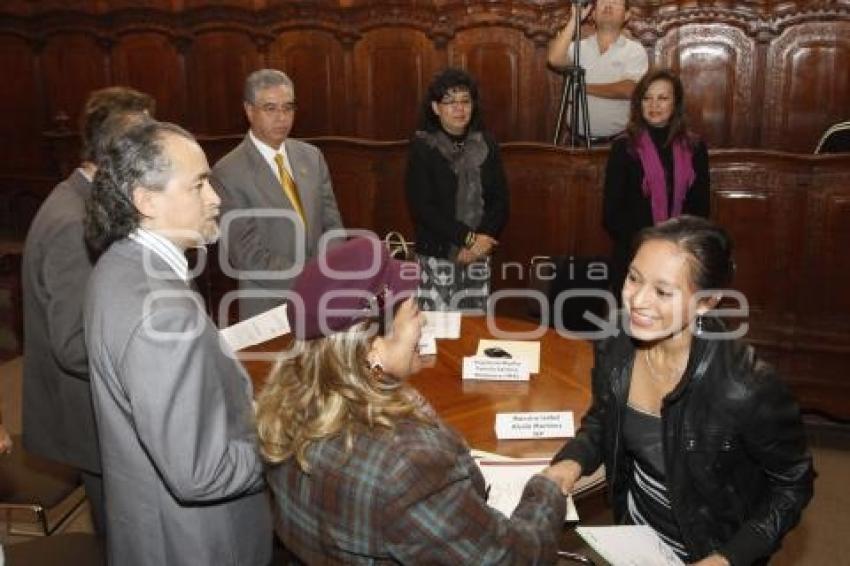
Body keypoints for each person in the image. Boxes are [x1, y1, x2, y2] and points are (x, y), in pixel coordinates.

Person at [256, 236, 566, 564]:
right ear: (372, 346)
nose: (424, 321)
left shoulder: (281, 413)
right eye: (416, 310)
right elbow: (517, 557)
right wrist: (547, 488)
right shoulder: (407, 466)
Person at [548, 216, 814, 565]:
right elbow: (603, 420)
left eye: (662, 291)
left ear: (707, 302)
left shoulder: (745, 386)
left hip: (707, 549)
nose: (637, 301)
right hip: (634, 538)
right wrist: (571, 462)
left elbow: (793, 484)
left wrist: (728, 558)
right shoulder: (615, 339)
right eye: (633, 278)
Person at [84, 120, 272, 565]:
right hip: (198, 543)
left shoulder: (117, 264)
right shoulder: (160, 310)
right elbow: (200, 473)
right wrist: (287, 438)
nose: (216, 199)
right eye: (200, 185)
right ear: (146, 201)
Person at [21, 86, 155, 534]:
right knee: (123, 540)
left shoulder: (88, 200)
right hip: (91, 417)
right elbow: (75, 345)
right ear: (117, 152)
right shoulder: (72, 221)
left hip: (100, 407)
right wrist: (152, 367)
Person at [213, 68, 344, 320]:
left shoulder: (312, 156)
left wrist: (331, 274)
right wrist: (312, 280)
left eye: (288, 108)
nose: (282, 118)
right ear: (249, 111)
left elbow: (333, 226)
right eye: (270, 108)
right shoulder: (228, 172)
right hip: (269, 305)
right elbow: (248, 256)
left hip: (325, 298)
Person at [405, 68, 509, 313]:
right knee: (437, 335)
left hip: (478, 255)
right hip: (437, 255)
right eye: (450, 102)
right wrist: (468, 239)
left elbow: (500, 201)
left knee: (473, 330)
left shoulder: (486, 144)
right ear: (435, 108)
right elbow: (423, 208)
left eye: (465, 101)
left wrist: (480, 243)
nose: (459, 109)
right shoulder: (423, 147)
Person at [604, 68, 711, 299]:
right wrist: (650, 247)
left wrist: (678, 246)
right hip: (633, 254)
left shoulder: (695, 147)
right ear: (638, 104)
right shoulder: (624, 147)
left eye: (663, 98)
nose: (654, 105)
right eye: (647, 98)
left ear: (676, 104)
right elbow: (611, 214)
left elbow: (701, 210)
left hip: (681, 255)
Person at [547, 0, 648, 142]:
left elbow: (629, 89)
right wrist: (574, 21)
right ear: (593, 14)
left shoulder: (634, 50)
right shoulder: (578, 48)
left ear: (626, 15)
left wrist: (582, 88)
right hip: (576, 143)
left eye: (615, 3)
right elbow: (554, 59)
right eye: (602, 2)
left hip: (617, 143)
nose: (608, 5)